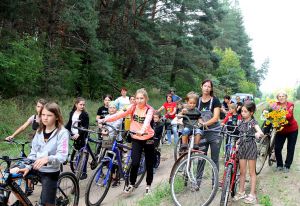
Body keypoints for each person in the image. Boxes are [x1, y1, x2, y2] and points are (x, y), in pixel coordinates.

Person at [98, 88, 155, 195]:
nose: (139, 100)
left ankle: (148, 185)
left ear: (146, 98)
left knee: (149, 163)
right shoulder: (132, 107)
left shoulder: (149, 109)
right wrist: (105, 119)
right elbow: (119, 114)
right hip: (136, 138)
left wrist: (142, 130)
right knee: (134, 163)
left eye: (141, 98)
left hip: (148, 138)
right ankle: (132, 184)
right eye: (137, 98)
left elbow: (147, 121)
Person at [17, 102, 69, 206]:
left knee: (47, 203)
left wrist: (48, 159)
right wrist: (28, 165)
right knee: (10, 176)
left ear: (57, 117)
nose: (45, 118)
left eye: (49, 115)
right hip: (36, 167)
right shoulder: (39, 131)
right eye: (43, 115)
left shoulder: (62, 133)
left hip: (50, 171)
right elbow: (33, 152)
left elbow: (63, 156)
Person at [233, 102, 264, 204]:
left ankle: (252, 194)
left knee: (251, 172)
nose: (243, 113)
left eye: (245, 111)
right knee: (242, 172)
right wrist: (237, 143)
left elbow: (260, 132)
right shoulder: (241, 122)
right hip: (242, 148)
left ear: (251, 112)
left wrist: (258, 133)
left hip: (251, 148)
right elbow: (241, 135)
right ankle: (241, 192)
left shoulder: (253, 122)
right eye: (242, 111)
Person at [196, 79, 222, 171]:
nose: (206, 88)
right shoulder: (198, 100)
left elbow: (215, 118)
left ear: (211, 89)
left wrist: (204, 124)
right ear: (201, 86)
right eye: (205, 86)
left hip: (215, 133)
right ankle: (197, 184)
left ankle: (214, 183)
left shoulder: (215, 100)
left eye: (209, 86)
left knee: (214, 159)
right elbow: (196, 114)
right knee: (201, 158)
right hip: (202, 133)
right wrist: (201, 122)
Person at [274, 91, 298, 172]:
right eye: (279, 96)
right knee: (277, 148)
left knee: (290, 148)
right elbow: (270, 111)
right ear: (277, 98)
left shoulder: (290, 105)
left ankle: (287, 165)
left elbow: (289, 115)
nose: (281, 97)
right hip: (281, 130)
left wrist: (280, 114)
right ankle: (279, 164)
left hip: (292, 130)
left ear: (286, 97)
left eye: (283, 96)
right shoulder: (275, 105)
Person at [65, 97, 89, 179]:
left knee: (84, 153)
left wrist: (79, 134)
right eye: (80, 104)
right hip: (73, 134)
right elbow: (69, 123)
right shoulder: (72, 113)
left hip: (81, 135)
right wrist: (63, 130)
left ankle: (84, 172)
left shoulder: (85, 115)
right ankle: (75, 167)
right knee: (76, 152)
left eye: (83, 105)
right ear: (76, 104)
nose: (82, 106)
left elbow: (85, 126)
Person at [101, 101, 123, 187]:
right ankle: (111, 175)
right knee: (107, 158)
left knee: (115, 160)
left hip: (116, 140)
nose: (112, 109)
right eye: (110, 107)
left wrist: (105, 130)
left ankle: (116, 178)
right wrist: (103, 128)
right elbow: (103, 125)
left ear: (116, 109)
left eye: (114, 107)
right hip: (107, 139)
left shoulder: (119, 117)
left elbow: (115, 127)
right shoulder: (106, 116)